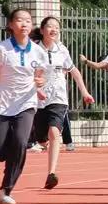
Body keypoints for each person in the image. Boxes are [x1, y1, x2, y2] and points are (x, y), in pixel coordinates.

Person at [0, 8, 48, 204]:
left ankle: (6, 190)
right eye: (20, 20)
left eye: (28, 20)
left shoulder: (38, 52)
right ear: (11, 25)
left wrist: (40, 84)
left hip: (26, 103)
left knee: (20, 142)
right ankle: (10, 159)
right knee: (0, 152)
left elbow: (40, 76)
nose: (24, 24)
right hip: (1, 105)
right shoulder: (1, 50)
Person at [32, 17, 94, 188]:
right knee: (41, 138)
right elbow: (27, 74)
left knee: (54, 132)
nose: (54, 30)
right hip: (38, 100)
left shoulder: (62, 50)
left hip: (58, 98)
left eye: (57, 27)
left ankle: (51, 173)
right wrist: (37, 89)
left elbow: (74, 72)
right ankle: (44, 144)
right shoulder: (34, 50)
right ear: (43, 30)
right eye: (50, 26)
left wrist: (85, 92)